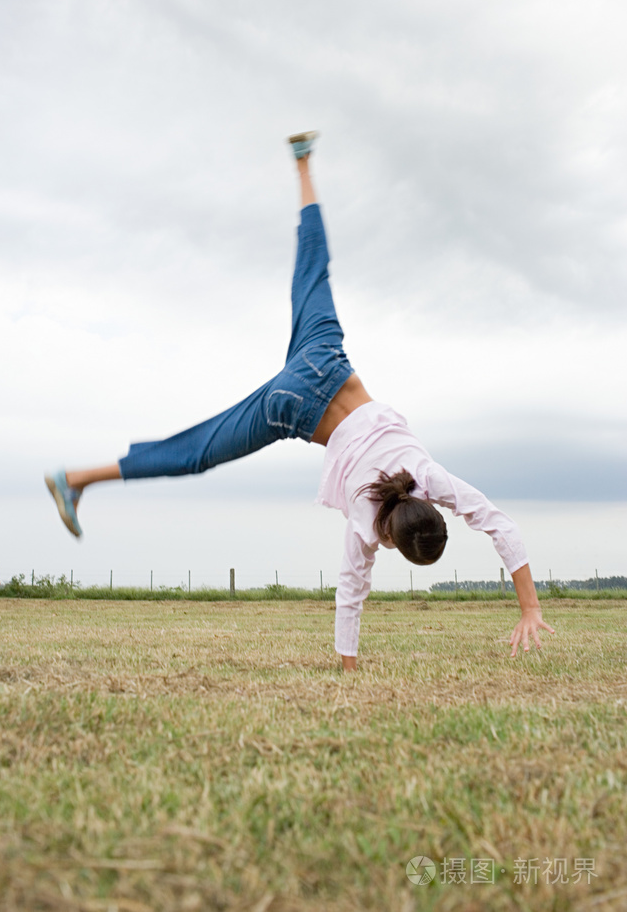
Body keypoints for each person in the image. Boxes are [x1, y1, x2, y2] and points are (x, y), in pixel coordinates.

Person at [45, 132, 554, 669]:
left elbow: (497, 522)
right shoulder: (367, 521)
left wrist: (531, 605)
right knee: (197, 451)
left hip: (324, 360)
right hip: (291, 407)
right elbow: (350, 592)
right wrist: (349, 672)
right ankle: (78, 478)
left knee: (313, 268)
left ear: (429, 507)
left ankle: (303, 162)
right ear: (393, 539)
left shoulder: (427, 475)